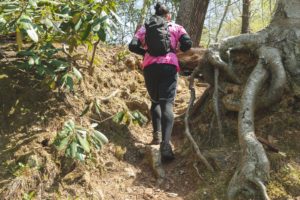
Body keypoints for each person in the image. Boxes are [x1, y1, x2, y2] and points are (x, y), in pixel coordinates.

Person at [128, 2, 192, 162]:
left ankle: (156, 135)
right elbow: (188, 44)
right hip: (169, 65)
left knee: (155, 101)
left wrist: (146, 53)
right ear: (168, 16)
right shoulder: (176, 27)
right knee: (167, 104)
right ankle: (165, 144)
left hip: (150, 67)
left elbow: (132, 46)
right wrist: (176, 51)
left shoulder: (146, 27)